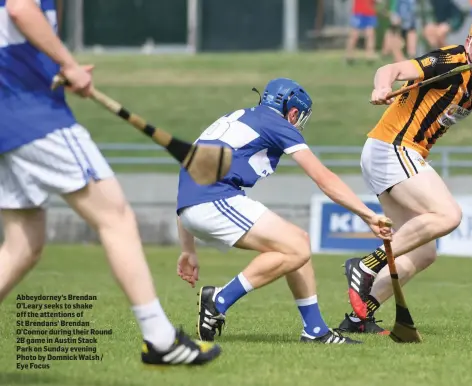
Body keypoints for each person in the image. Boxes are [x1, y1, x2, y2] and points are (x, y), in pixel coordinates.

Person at [0, 0, 221, 365]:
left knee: (22, 245)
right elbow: (22, 9)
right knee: (115, 216)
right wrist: (68, 63)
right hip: (33, 115)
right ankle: (161, 339)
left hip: (11, 112)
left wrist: (55, 70)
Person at [336, 16, 472, 334]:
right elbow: (390, 70)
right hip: (392, 147)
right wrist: (381, 86)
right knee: (447, 215)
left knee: (423, 252)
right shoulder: (447, 60)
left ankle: (360, 317)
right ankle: (365, 266)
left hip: (403, 155)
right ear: (471, 42)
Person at [174, 78, 393, 344]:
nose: (298, 123)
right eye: (299, 116)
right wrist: (368, 214)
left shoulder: (240, 117)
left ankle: (315, 331)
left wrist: (188, 249)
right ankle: (218, 300)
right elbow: (323, 178)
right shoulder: (275, 122)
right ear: (291, 111)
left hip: (197, 203)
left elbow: (187, 173)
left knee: (296, 242)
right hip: (213, 199)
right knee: (297, 246)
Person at [345, 0, 380, 64]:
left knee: (370, 35)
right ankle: (349, 55)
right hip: (358, 12)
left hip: (370, 12)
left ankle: (370, 56)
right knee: (354, 35)